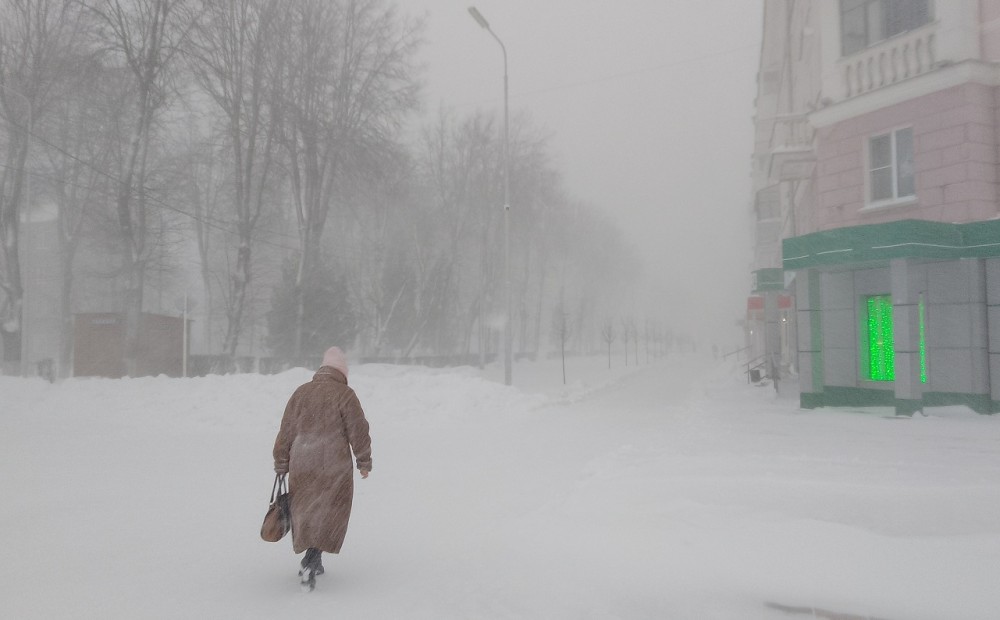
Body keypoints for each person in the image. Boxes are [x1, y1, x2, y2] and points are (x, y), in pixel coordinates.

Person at [272, 346, 372, 591]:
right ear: (342, 372)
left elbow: (286, 430)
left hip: (302, 460)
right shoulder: (345, 394)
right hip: (334, 464)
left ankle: (312, 558)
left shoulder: (301, 393)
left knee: (306, 510)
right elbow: (358, 431)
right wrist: (364, 461)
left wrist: (281, 461)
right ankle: (312, 559)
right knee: (330, 511)